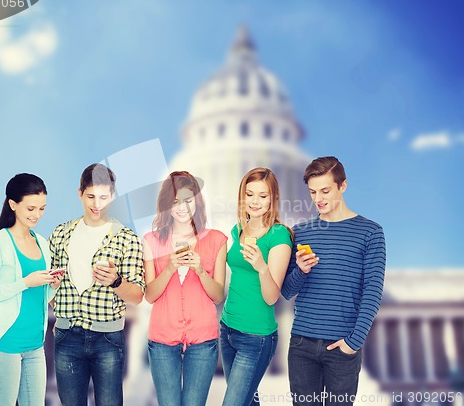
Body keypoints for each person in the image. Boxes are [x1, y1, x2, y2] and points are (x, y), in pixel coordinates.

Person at [282, 156, 386, 406]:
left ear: (343, 186)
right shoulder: (301, 231)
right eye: (313, 192)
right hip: (301, 345)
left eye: (326, 190)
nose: (318, 199)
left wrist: (353, 343)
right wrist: (301, 271)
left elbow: (372, 292)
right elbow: (286, 291)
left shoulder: (370, 232)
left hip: (342, 346)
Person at [49, 163, 145, 406]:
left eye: (103, 197)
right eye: (91, 196)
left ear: (112, 195)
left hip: (107, 339)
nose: (97, 204)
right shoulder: (60, 234)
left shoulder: (126, 238)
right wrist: (59, 311)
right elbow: (48, 284)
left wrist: (116, 281)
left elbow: (136, 296)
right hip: (66, 336)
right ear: (80, 193)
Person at [143, 171, 227, 406]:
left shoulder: (217, 240)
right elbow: (150, 295)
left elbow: (217, 295)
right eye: (175, 202)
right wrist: (169, 268)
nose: (181, 207)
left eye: (188, 200)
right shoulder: (150, 241)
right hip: (162, 339)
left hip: (203, 340)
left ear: (197, 201)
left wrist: (200, 271)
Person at [0, 173, 62, 405]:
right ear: (13, 205)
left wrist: (53, 285)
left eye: (42, 209)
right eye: (31, 208)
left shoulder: (43, 244)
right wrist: (25, 282)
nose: (37, 215)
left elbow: (39, 297)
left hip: (35, 345)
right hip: (5, 345)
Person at [220, 167, 293, 406]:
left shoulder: (279, 235)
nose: (255, 201)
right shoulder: (237, 230)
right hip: (227, 329)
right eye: (250, 194)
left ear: (273, 199)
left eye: (263, 196)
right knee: (248, 402)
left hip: (256, 337)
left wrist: (261, 266)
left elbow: (272, 297)